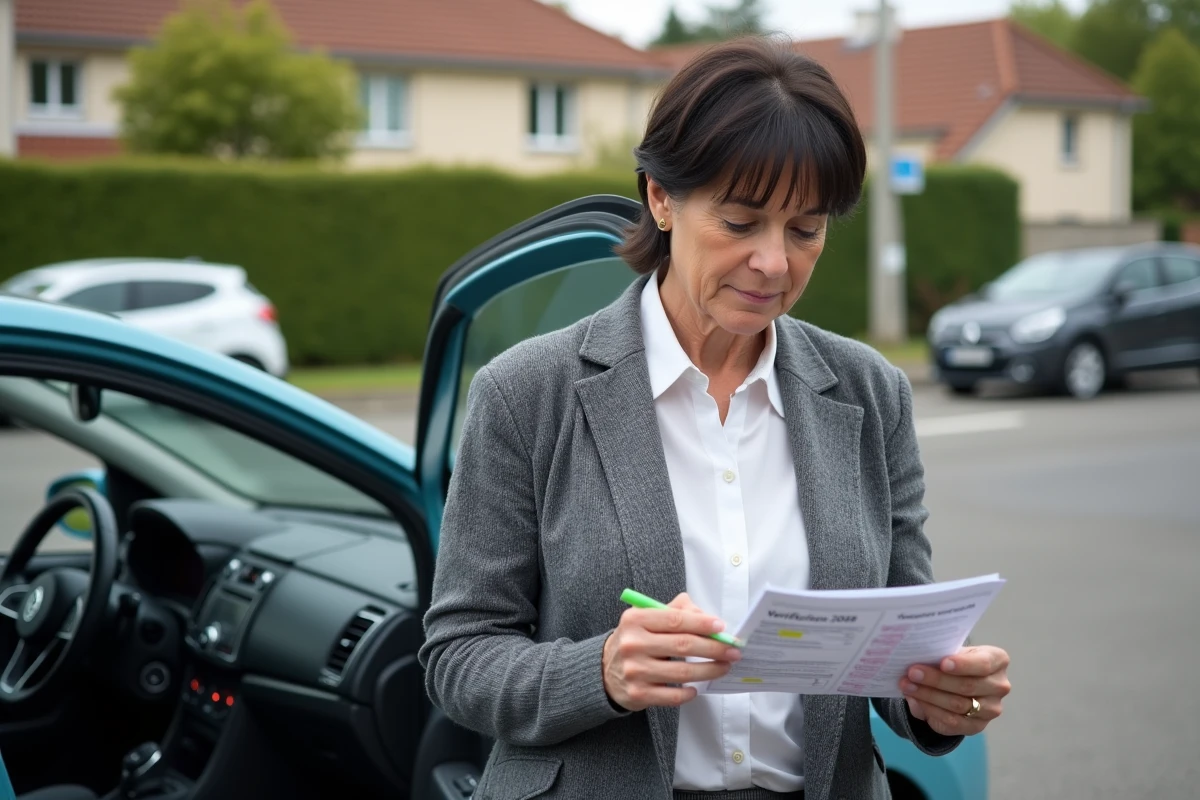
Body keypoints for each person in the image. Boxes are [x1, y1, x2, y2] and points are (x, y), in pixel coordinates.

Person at [419, 36, 1011, 800]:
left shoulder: (871, 393)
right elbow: (458, 658)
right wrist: (597, 671)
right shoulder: (526, 393)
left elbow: (892, 650)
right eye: (741, 222)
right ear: (661, 198)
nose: (775, 262)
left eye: (806, 229)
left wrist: (938, 697)